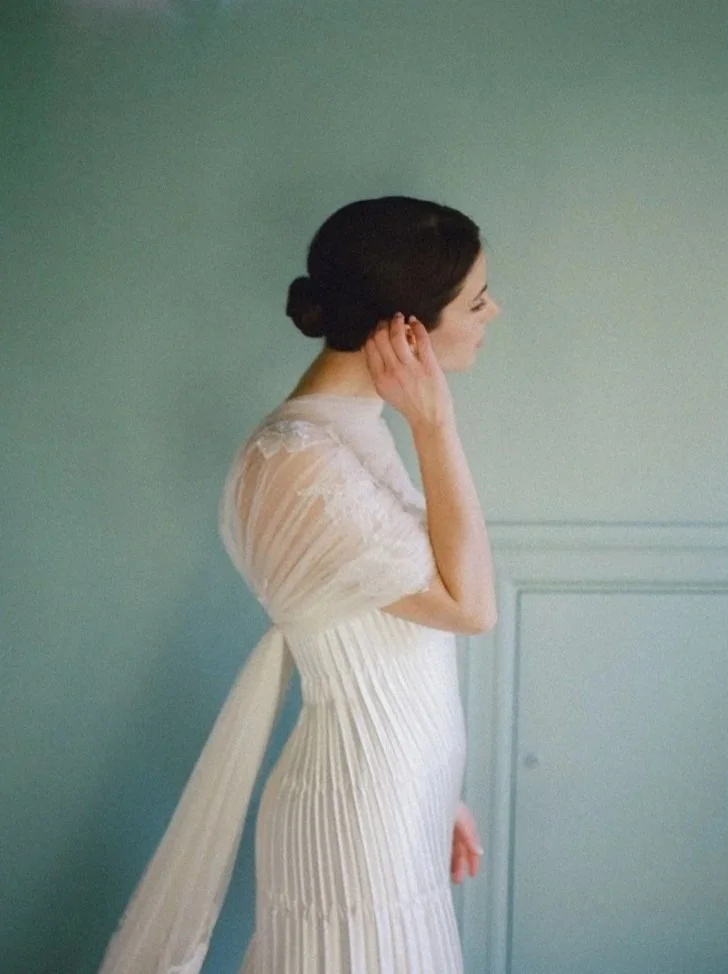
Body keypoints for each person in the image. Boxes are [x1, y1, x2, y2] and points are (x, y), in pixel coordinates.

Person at [97, 195, 501, 974]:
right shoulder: (295, 459)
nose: (495, 312)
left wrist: (435, 790)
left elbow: (395, 638)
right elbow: (469, 608)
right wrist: (436, 427)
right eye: (477, 300)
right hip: (357, 817)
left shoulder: (348, 434)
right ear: (407, 327)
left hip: (394, 802)